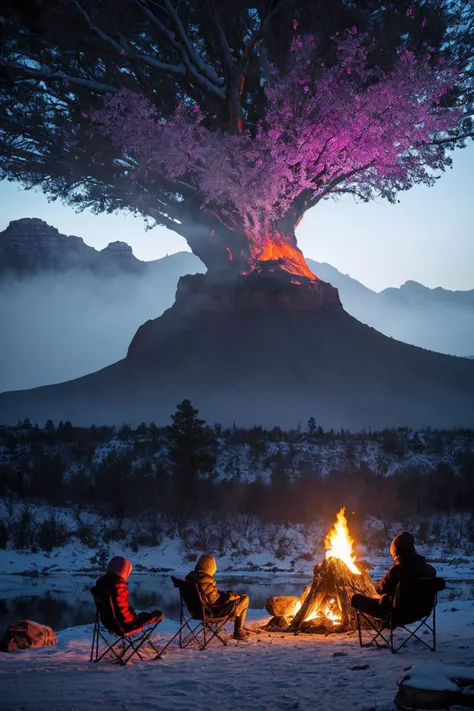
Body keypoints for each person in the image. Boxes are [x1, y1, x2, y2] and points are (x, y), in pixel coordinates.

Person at [351, 531, 436, 619]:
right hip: (421, 612)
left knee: (356, 599)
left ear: (397, 554)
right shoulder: (430, 569)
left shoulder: (397, 571)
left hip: (397, 614)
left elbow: (380, 589)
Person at [186, 554, 250, 640]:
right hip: (212, 613)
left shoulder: (192, 577)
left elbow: (208, 596)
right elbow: (215, 601)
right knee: (244, 598)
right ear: (209, 566)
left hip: (197, 611)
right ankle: (238, 631)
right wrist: (229, 597)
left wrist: (225, 594)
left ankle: (238, 628)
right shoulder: (205, 579)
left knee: (237, 598)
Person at [94, 556, 164, 633]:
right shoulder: (117, 586)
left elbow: (118, 608)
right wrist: (134, 617)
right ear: (123, 570)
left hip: (108, 623)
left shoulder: (102, 582)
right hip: (124, 626)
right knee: (156, 615)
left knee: (143, 615)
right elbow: (123, 613)